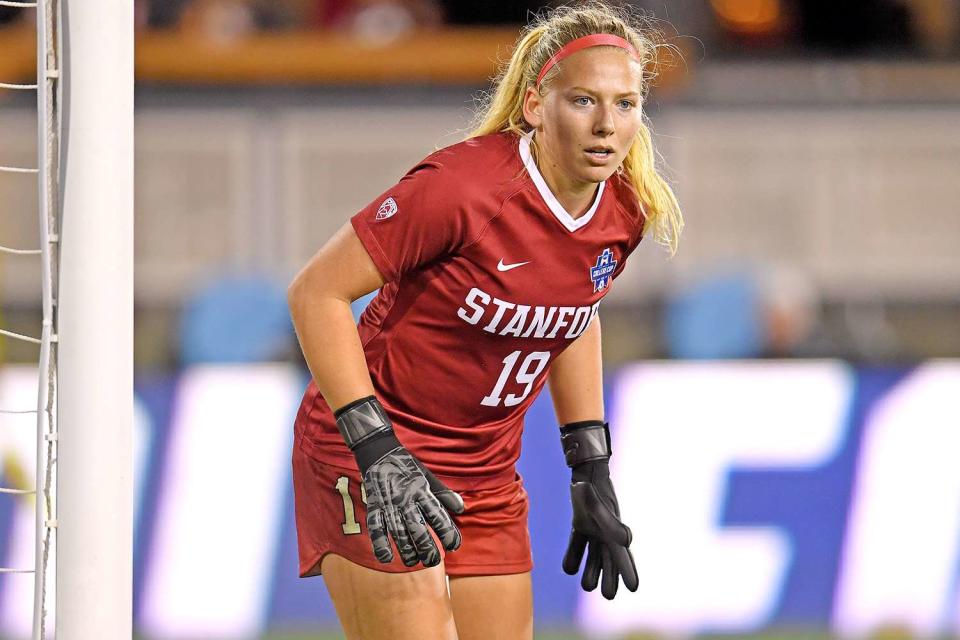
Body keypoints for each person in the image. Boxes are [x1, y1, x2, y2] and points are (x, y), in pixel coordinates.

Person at [287, 2, 683, 638]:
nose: (607, 125)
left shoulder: (624, 210)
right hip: (373, 454)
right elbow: (316, 294)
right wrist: (377, 447)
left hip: (487, 472)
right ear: (534, 105)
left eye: (626, 103)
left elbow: (575, 316)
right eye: (583, 101)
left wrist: (590, 466)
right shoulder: (461, 187)